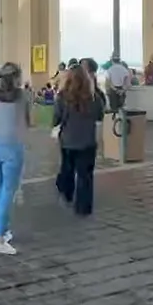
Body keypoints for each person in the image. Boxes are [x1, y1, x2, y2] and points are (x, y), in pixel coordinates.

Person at [0, 63, 32, 255]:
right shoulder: (23, 96)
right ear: (17, 78)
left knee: (0, 188)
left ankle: (3, 229)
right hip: (11, 147)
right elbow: (28, 121)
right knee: (8, 191)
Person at [54, 66, 104, 216]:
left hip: (68, 140)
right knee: (85, 175)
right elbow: (100, 116)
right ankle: (83, 207)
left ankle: (67, 194)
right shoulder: (94, 97)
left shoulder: (63, 97)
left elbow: (56, 118)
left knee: (67, 169)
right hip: (87, 141)